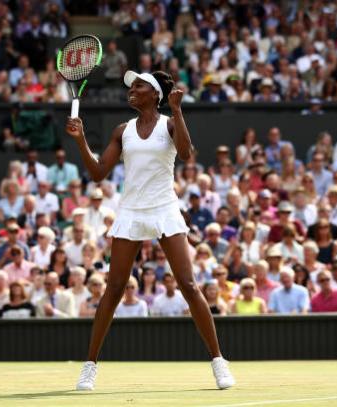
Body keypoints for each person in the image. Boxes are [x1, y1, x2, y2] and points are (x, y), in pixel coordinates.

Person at [66, 70, 235, 390]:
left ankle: (218, 361)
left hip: (164, 208)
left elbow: (185, 154)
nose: (132, 90)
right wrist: (81, 140)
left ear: (155, 94)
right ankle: (89, 366)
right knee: (113, 288)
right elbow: (99, 173)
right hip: (130, 211)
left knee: (187, 283)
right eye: (131, 87)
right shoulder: (122, 130)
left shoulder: (170, 123)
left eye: (139, 86)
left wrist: (179, 111)